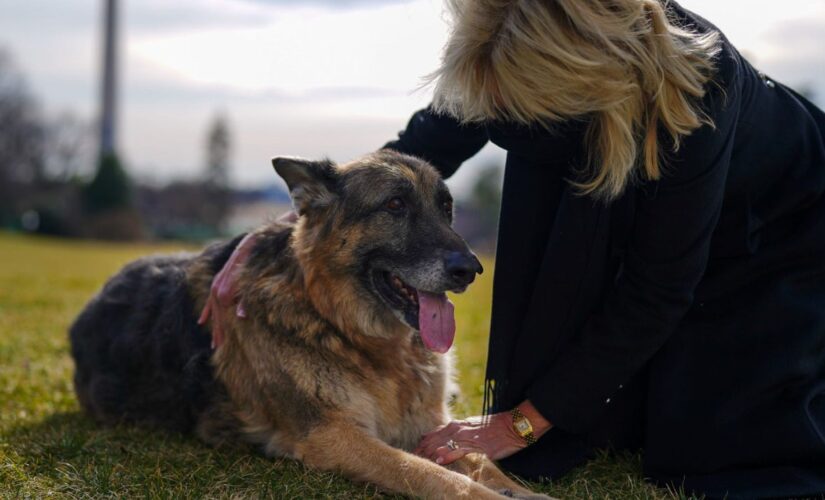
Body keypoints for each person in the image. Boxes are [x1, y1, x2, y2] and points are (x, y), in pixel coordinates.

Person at [202, 1, 825, 497]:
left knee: (716, 451)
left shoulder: (696, 90)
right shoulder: (505, 37)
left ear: (577, 83)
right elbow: (419, 150)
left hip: (779, 222)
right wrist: (280, 232)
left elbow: (657, 286)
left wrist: (517, 422)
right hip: (637, 182)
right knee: (596, 428)